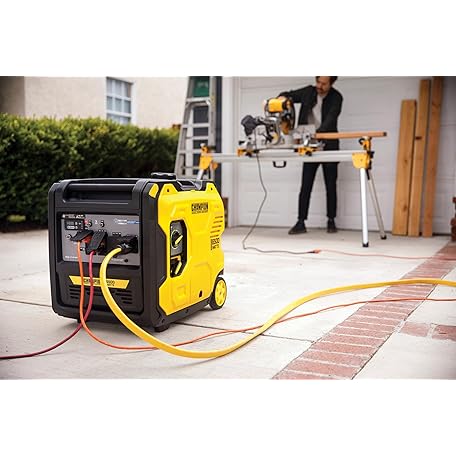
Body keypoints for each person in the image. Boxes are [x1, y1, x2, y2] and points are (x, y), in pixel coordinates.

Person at [279, 76, 343, 234]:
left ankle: (331, 220)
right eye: (318, 82)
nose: (319, 86)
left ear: (331, 83)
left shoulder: (336, 97)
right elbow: (288, 95)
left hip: (328, 145)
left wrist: (316, 133)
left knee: (330, 185)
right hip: (309, 146)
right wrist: (281, 99)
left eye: (324, 84)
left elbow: (331, 119)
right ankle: (301, 222)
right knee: (306, 185)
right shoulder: (308, 92)